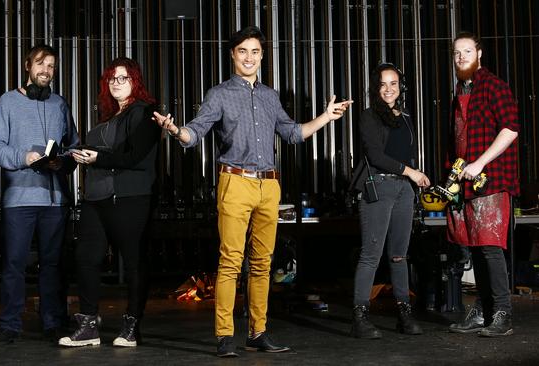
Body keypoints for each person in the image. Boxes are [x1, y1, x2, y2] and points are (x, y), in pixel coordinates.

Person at [153, 26, 352, 357]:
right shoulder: (218, 94)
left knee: (263, 263)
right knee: (231, 261)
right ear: (233, 55)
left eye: (255, 51)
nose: (249, 57)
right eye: (242, 51)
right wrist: (176, 130)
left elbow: (292, 133)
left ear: (262, 56)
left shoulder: (269, 96)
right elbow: (196, 132)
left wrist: (325, 118)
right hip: (235, 182)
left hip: (269, 186)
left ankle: (258, 332)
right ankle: (225, 336)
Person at [58, 57, 160, 348]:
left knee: (134, 263)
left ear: (135, 81)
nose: (117, 83)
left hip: (129, 198)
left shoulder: (146, 112)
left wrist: (98, 157)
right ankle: (88, 325)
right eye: (112, 79)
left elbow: (135, 157)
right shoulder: (109, 116)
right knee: (86, 259)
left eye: (123, 78)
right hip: (97, 197)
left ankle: (131, 327)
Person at [0, 44, 79, 345]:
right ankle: (10, 325)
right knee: (14, 263)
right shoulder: (8, 102)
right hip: (19, 199)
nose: (46, 70)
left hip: (54, 201)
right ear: (28, 66)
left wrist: (62, 162)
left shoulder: (60, 104)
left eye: (51, 66)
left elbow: (73, 148)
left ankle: (52, 323)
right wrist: (24, 157)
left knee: (53, 265)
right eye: (41, 64)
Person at [348, 63, 430, 339]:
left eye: (393, 83)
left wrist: (415, 178)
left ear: (400, 87)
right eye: (383, 84)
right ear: (376, 88)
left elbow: (406, 154)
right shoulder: (369, 116)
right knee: (370, 255)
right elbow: (375, 156)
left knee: (398, 255)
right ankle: (360, 318)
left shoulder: (406, 116)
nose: (388, 89)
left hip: (404, 190)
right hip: (379, 187)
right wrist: (412, 172)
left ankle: (404, 316)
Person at [446, 32, 519, 337]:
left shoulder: (493, 85)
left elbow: (511, 129)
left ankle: (502, 313)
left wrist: (480, 163)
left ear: (479, 55)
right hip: (467, 184)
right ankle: (483, 310)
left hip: (493, 179)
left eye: (467, 51)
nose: (461, 56)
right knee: (474, 248)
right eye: (457, 53)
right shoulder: (460, 92)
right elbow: (459, 142)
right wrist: (451, 177)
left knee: (490, 248)